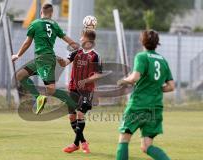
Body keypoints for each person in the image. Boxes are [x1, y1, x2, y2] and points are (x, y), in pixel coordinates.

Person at [116, 30, 175, 160]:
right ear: (157, 43)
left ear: (142, 42)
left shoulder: (142, 57)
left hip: (138, 105)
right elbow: (171, 86)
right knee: (146, 146)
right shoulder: (163, 60)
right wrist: (155, 89)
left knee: (124, 138)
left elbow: (134, 78)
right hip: (155, 107)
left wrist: (122, 81)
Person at [12, 3, 78, 114]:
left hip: (44, 59)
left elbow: (27, 42)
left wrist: (18, 55)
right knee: (19, 75)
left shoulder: (35, 24)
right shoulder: (55, 25)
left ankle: (73, 103)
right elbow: (68, 40)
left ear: (41, 12)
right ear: (51, 13)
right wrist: (77, 47)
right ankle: (38, 97)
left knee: (51, 90)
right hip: (41, 59)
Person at [57, 29, 102, 154]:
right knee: (71, 116)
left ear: (87, 39)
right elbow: (65, 63)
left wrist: (87, 80)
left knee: (80, 114)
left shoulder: (95, 56)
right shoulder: (76, 52)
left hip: (86, 90)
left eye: (82, 37)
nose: (80, 39)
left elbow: (98, 74)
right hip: (73, 88)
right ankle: (82, 142)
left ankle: (75, 144)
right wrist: (61, 61)